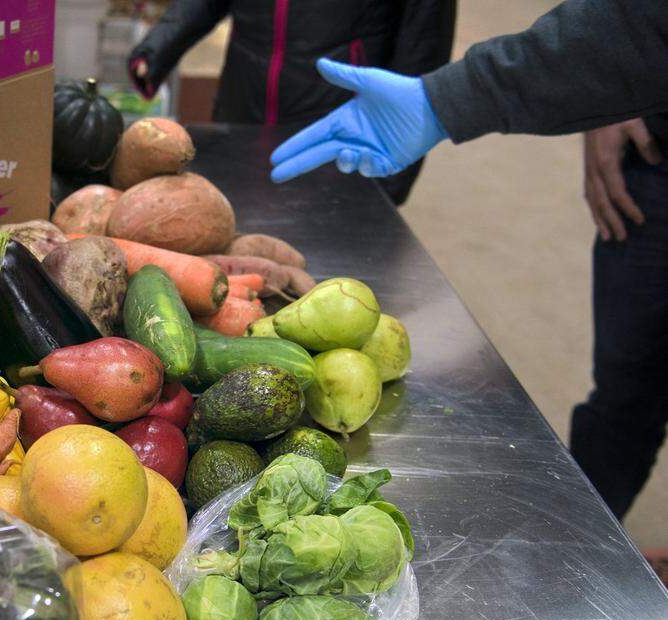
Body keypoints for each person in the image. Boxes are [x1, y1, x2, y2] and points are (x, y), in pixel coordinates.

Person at [267, 0, 668, 521]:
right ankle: (589, 540)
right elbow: (643, 25)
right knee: (627, 388)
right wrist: (449, 100)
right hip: (656, 165)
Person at [127, 0, 457, 204]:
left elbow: (424, 39)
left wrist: (394, 176)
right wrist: (159, 47)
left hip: (338, 123)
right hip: (242, 104)